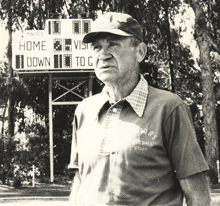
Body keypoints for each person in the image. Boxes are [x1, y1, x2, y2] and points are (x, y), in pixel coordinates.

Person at [68, 12, 211, 206]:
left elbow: (197, 194)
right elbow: (79, 183)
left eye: (113, 44)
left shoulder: (169, 108)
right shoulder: (84, 111)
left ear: (140, 52)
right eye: (97, 47)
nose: (103, 54)